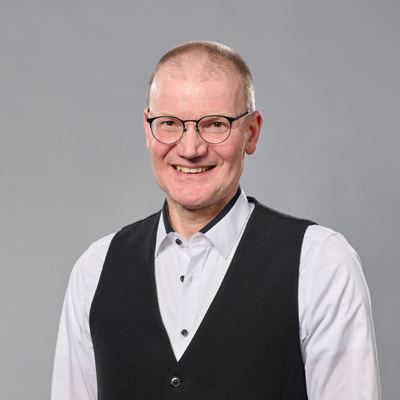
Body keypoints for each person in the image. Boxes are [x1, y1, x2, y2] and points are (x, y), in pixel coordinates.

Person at [51, 41, 381, 399]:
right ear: (148, 130)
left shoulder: (320, 263)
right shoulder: (94, 270)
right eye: (170, 123)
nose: (190, 149)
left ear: (251, 132)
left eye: (214, 124)